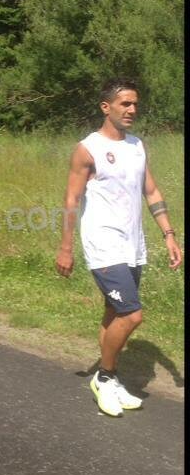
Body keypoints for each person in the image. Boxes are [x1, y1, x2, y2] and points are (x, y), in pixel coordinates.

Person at [56, 77, 182, 417]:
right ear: (106, 107)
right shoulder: (89, 148)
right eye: (125, 103)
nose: (132, 109)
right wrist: (66, 247)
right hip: (102, 243)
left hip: (132, 245)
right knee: (131, 314)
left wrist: (169, 234)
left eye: (135, 104)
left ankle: (110, 378)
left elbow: (151, 191)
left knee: (114, 313)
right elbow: (72, 198)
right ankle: (105, 376)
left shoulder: (137, 145)